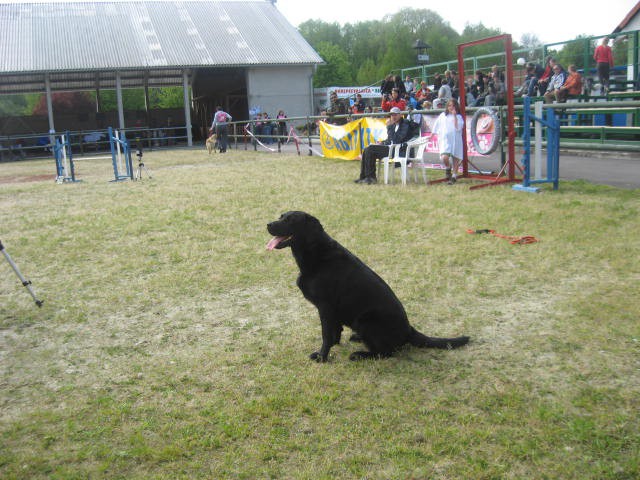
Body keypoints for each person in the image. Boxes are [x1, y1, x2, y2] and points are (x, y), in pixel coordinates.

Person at [354, 107, 412, 185]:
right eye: (392, 115)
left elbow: (397, 140)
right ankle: (364, 177)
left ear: (400, 115)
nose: (393, 117)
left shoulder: (405, 124)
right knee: (367, 149)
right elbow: (390, 140)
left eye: (395, 114)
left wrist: (389, 127)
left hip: (399, 151)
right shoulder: (394, 125)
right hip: (392, 149)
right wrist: (382, 143)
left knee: (370, 149)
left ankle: (371, 178)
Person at [429, 98, 464, 185]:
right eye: (449, 105)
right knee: (444, 157)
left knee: (455, 158)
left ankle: (454, 176)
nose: (451, 107)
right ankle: (448, 167)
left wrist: (455, 116)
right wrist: (432, 134)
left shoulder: (459, 117)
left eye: (453, 105)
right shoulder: (443, 115)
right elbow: (437, 125)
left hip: (455, 140)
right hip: (445, 140)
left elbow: (458, 127)